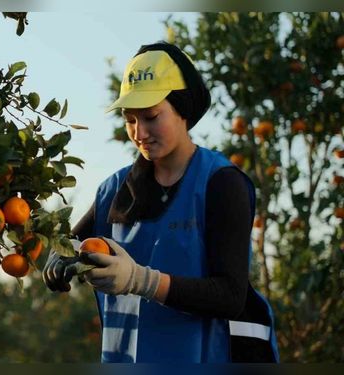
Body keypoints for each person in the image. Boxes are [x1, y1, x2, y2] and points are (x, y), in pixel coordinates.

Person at [42, 41, 280, 363]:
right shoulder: (114, 190)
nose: (140, 132)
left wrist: (141, 280)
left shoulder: (221, 183)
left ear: (182, 109)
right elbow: (73, 242)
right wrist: (61, 254)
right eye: (130, 119)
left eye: (151, 116)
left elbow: (230, 296)